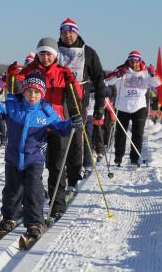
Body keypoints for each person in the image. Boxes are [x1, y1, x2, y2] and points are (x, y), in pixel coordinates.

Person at [0, 72, 83, 238]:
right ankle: (10, 217)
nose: (32, 95)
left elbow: (61, 127)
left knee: (33, 191)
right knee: (12, 190)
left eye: (37, 92)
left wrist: (72, 123)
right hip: (13, 157)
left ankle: (35, 222)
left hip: (34, 158)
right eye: (29, 91)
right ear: (23, 92)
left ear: (42, 93)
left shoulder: (46, 112)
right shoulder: (12, 106)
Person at [8, 37, 83, 220]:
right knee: (30, 167)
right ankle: (28, 203)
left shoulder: (62, 72)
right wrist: (11, 76)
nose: (46, 57)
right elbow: (14, 90)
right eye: (42, 53)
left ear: (55, 55)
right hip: (33, 125)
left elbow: (77, 96)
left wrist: (71, 81)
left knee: (56, 165)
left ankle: (57, 205)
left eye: (49, 54)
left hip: (55, 122)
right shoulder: (29, 70)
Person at [57, 18, 105, 192]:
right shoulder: (55, 51)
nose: (67, 35)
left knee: (76, 141)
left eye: (70, 31)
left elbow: (99, 80)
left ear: (76, 33)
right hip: (56, 101)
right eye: (64, 32)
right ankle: (57, 179)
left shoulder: (88, 52)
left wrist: (99, 105)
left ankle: (73, 179)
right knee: (58, 142)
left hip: (78, 102)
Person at [105, 51, 161, 166]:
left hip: (139, 107)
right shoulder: (121, 70)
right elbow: (107, 81)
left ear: (140, 61)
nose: (134, 64)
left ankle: (135, 158)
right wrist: (118, 75)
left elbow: (158, 83)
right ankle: (118, 157)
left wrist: (152, 74)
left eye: (136, 62)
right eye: (132, 61)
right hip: (122, 106)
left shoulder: (145, 72)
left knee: (138, 133)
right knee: (120, 133)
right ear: (128, 61)